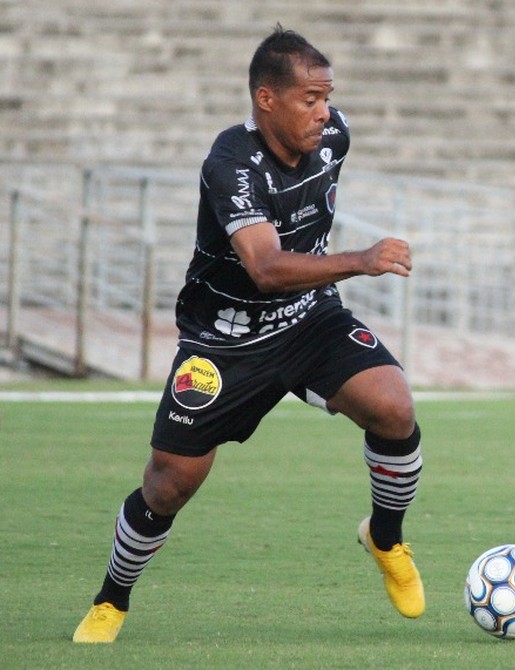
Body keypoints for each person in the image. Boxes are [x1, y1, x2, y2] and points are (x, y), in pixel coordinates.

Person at [73, 25, 425, 643]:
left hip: (309, 320)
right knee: (169, 485)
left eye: (327, 96)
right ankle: (111, 601)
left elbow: (294, 273)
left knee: (394, 408)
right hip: (224, 343)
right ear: (266, 100)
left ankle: (385, 537)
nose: (324, 112)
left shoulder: (334, 136)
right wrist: (360, 259)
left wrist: (336, 277)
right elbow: (264, 269)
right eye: (308, 99)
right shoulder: (231, 164)